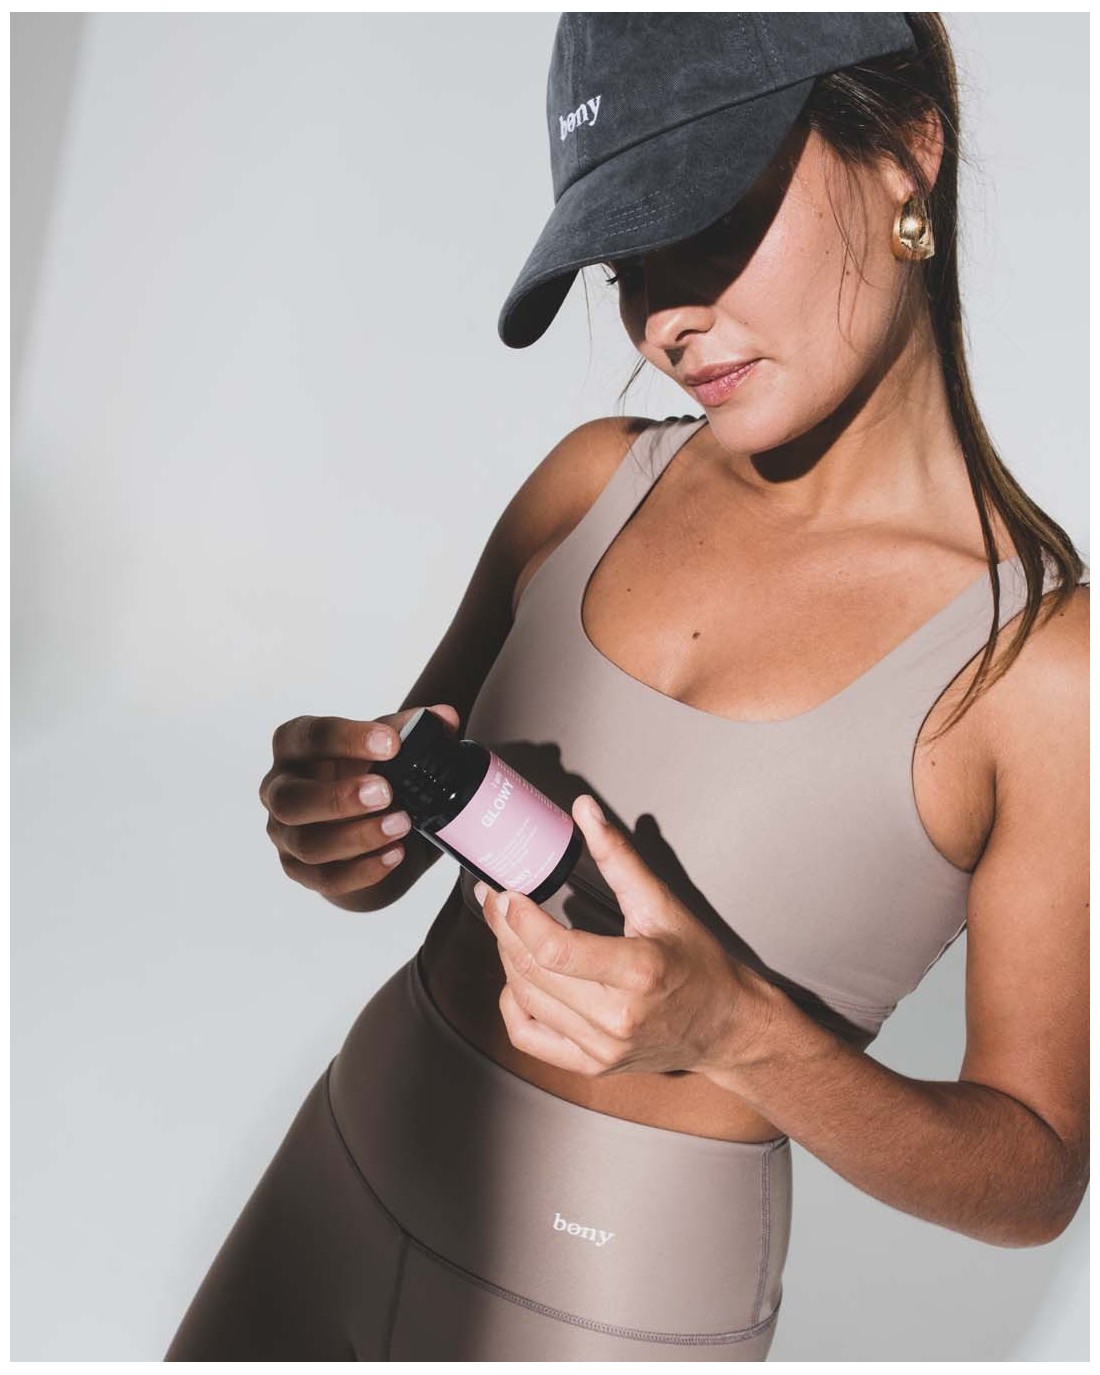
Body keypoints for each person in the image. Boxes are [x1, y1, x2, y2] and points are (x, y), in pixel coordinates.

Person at [164, 13, 1088, 1362]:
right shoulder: (590, 486)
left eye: (708, 219)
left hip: (623, 1305)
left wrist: (740, 1033)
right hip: (345, 1173)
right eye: (626, 260)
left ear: (906, 147)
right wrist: (344, 826)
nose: (664, 320)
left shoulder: (1036, 669)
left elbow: (1033, 1179)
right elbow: (403, 852)